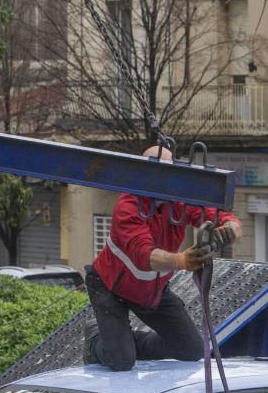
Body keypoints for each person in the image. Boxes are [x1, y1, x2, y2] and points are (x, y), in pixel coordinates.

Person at [84, 145, 243, 372]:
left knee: (191, 350)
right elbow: (145, 255)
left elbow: (218, 215)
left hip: (149, 288)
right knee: (120, 361)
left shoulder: (179, 201)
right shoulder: (127, 207)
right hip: (111, 287)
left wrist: (230, 229)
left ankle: (126, 343)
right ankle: (96, 340)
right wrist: (182, 261)